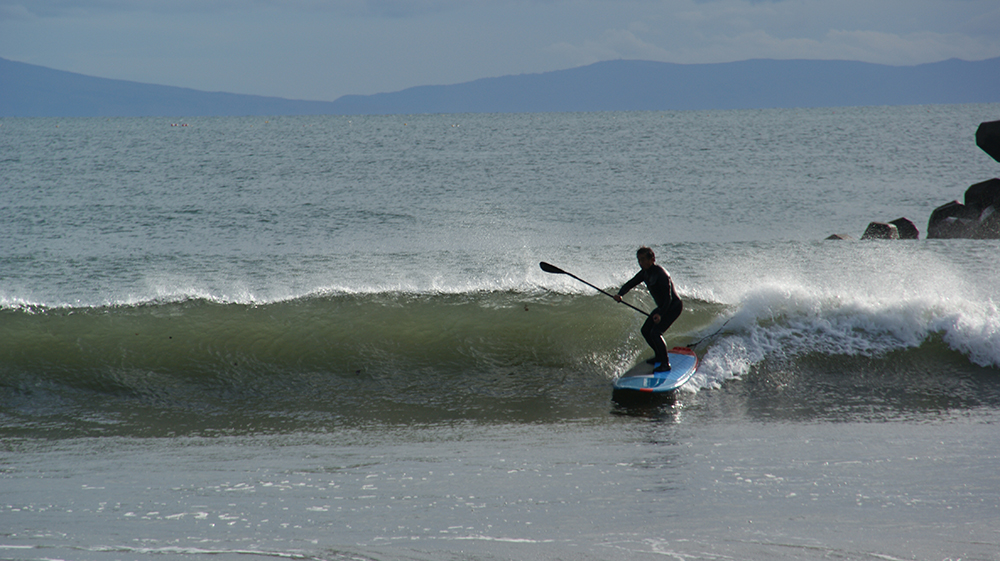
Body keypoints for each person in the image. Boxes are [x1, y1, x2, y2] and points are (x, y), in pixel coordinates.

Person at [613, 246, 683, 372]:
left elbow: (668, 298)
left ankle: (665, 364)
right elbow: (630, 283)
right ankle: (658, 356)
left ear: (652, 259)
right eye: (639, 260)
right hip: (662, 307)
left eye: (643, 259)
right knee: (645, 330)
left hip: (673, 307)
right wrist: (620, 294)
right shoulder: (644, 273)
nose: (641, 263)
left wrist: (660, 314)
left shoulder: (661, 274)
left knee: (656, 333)